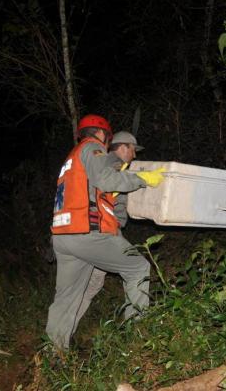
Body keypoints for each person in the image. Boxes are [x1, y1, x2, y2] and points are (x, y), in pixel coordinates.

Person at [46, 115, 165, 350]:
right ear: (103, 135)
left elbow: (92, 192)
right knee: (139, 268)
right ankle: (137, 339)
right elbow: (106, 179)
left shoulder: (71, 159)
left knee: (68, 297)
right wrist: (142, 179)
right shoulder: (92, 148)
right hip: (87, 233)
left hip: (63, 236)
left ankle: (53, 353)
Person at [72, 131, 145, 332]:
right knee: (138, 269)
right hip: (104, 231)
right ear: (123, 148)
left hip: (90, 231)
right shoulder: (111, 162)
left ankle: (62, 337)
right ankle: (136, 330)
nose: (135, 156)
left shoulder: (109, 164)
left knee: (90, 286)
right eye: (133, 150)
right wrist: (142, 180)